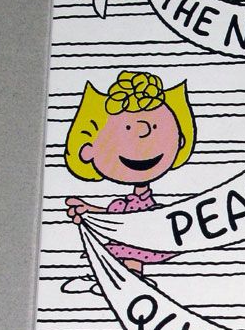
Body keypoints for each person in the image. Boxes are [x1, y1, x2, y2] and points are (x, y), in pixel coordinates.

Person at [62, 69, 196, 293]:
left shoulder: (141, 204)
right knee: (125, 250)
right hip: (131, 230)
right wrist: (88, 209)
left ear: (180, 140)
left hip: (142, 231)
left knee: (132, 251)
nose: (142, 136)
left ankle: (131, 279)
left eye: (156, 128)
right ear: (87, 150)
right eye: (127, 129)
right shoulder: (127, 204)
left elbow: (120, 219)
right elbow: (114, 217)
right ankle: (116, 278)